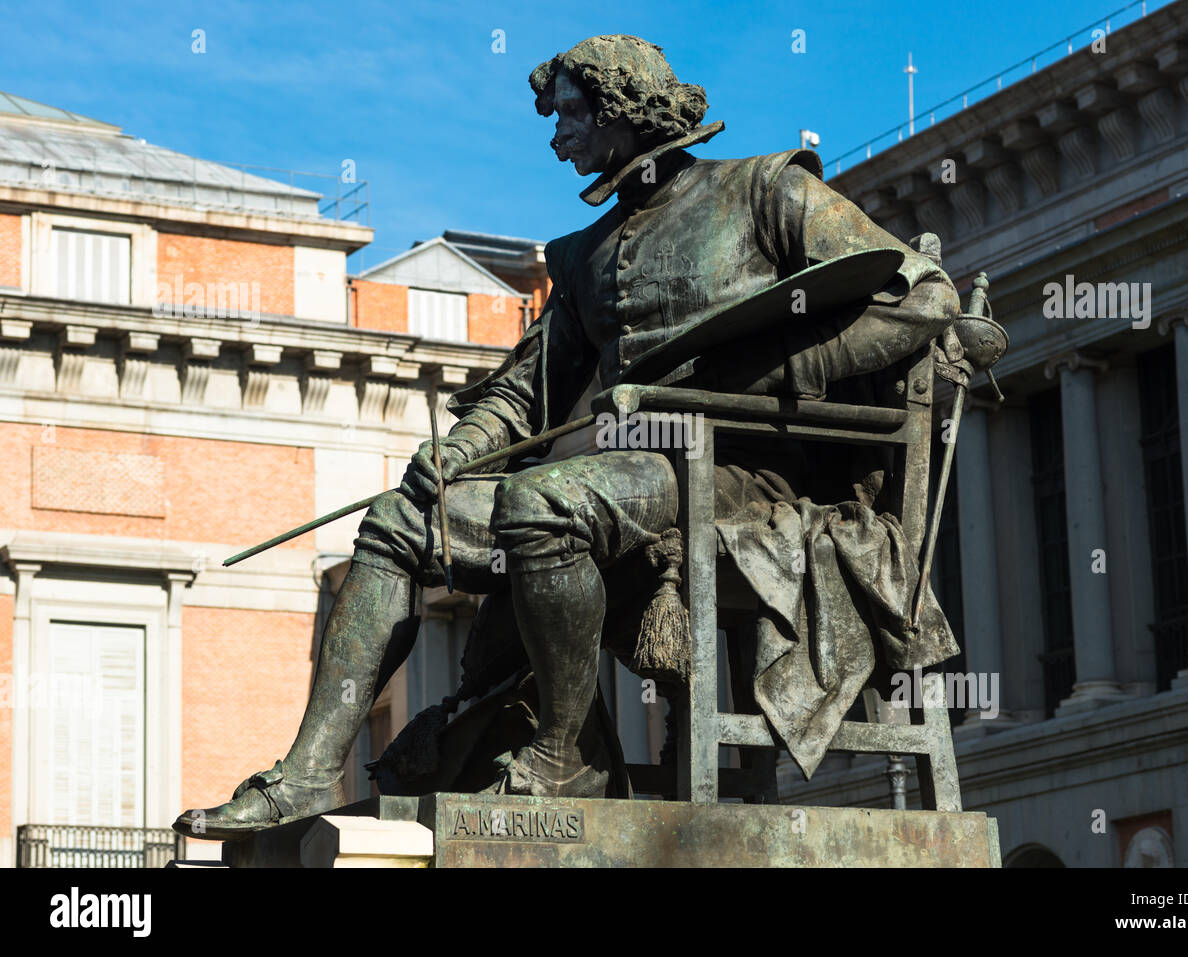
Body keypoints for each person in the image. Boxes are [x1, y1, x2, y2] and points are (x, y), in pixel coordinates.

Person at [174, 34, 961, 840]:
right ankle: (305, 776)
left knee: (543, 503)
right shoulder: (587, 254)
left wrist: (774, 373)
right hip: (629, 473)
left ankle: (560, 751)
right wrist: (458, 449)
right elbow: (527, 392)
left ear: (624, 109)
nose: (558, 140)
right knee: (399, 523)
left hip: (744, 472)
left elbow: (925, 298)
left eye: (571, 117)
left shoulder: (766, 190)